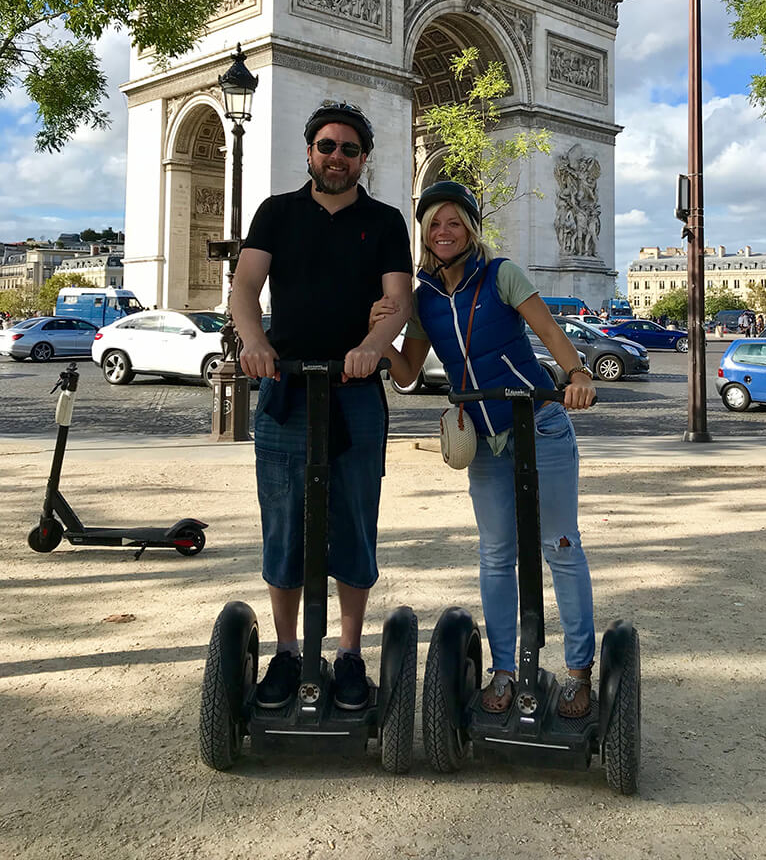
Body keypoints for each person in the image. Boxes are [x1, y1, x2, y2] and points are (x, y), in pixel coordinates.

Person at [371, 180, 597, 718]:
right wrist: (377, 334)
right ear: (423, 235)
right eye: (433, 224)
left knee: (560, 546)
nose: (442, 232)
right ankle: (503, 669)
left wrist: (578, 372)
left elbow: (549, 331)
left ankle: (579, 671)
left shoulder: (503, 274)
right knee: (495, 556)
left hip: (540, 424)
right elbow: (405, 373)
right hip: (486, 441)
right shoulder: (423, 299)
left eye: (453, 222)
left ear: (470, 228)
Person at [232, 101, 413, 713]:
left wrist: (370, 347)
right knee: (282, 525)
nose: (337, 157)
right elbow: (245, 290)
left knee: (356, 523)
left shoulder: (387, 220)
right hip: (286, 389)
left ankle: (351, 652)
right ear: (309, 151)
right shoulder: (275, 214)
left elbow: (399, 301)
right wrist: (254, 341)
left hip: (355, 392)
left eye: (350, 149)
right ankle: (286, 651)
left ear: (365, 159)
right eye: (327, 146)